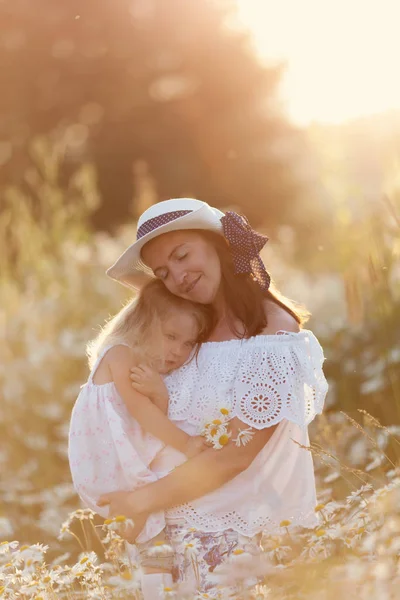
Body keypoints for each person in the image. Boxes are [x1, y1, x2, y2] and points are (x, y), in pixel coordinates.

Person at [99, 198, 329, 596]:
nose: (178, 277)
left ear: (217, 243)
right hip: (161, 530)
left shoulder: (272, 332)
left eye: (182, 254)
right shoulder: (185, 334)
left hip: (228, 534)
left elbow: (238, 453)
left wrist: (140, 501)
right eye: (164, 272)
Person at [68, 277, 216, 596]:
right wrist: (187, 443)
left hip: (123, 458)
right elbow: (141, 413)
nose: (178, 350)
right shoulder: (120, 355)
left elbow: (150, 416)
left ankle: (154, 589)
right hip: (108, 464)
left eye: (188, 343)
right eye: (171, 336)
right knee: (150, 530)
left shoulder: (142, 365)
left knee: (153, 538)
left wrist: (160, 395)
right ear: (143, 324)